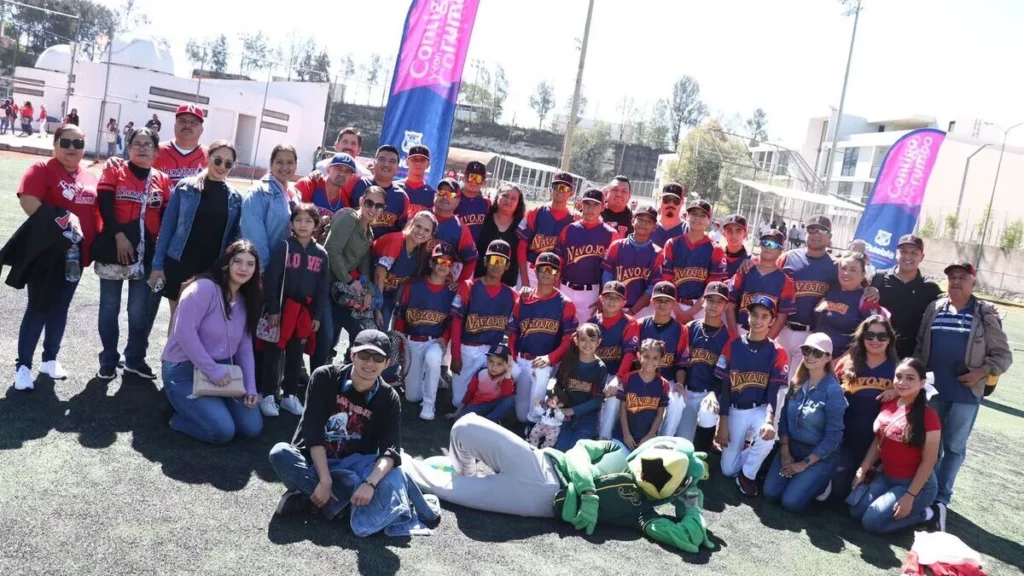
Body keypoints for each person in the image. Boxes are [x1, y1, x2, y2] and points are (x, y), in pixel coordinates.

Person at [269, 329, 403, 521]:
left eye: (378, 358)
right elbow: (312, 433)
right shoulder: (324, 376)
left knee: (389, 475)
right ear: (352, 354)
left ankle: (307, 497)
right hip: (313, 461)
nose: (370, 363)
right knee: (280, 453)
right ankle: (339, 507)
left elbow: (391, 451)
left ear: (387, 364)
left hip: (351, 469)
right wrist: (324, 480)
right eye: (364, 355)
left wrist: (370, 484)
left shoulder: (390, 398)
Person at [914, 259, 1012, 516]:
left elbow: (1003, 356)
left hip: (965, 395)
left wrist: (981, 372)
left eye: (962, 277)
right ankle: (926, 490)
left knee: (954, 447)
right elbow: (920, 344)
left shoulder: (984, 313)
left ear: (973, 282)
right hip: (933, 392)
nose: (956, 281)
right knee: (929, 444)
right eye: (952, 277)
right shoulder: (934, 307)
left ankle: (942, 497)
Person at [10, 124, 98, 390]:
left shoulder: (90, 177)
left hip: (75, 256)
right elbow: (29, 201)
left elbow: (95, 215)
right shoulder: (42, 169)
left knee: (60, 309)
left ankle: (50, 360)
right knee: (38, 307)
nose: (72, 148)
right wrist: (63, 224)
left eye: (78, 143)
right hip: (47, 254)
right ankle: (23, 366)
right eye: (66, 142)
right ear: (56, 144)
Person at [161, 240, 263, 444]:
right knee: (222, 431)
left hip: (223, 369)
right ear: (227, 262)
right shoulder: (203, 288)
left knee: (252, 428)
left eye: (250, 264)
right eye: (238, 261)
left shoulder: (245, 299)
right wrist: (213, 371)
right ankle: (177, 418)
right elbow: (183, 332)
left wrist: (250, 386)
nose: (244, 268)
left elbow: (244, 347)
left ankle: (210, 406)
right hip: (184, 369)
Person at [93, 126, 172, 381]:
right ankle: (108, 359)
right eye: (136, 143)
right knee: (109, 307)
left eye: (147, 144)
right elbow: (104, 205)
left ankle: (135, 359)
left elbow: (165, 217)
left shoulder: (162, 179)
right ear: (128, 146)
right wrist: (118, 236)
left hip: (145, 253)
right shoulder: (115, 169)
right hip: (115, 246)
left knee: (139, 312)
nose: (141, 147)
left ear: (156, 150)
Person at [150, 140, 242, 325]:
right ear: (207, 158)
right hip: (181, 264)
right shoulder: (185, 188)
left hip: (211, 270)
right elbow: (167, 229)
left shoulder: (235, 198)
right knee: (178, 321)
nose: (222, 167)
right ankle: (171, 355)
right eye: (218, 160)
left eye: (228, 164)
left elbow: (234, 238)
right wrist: (157, 265)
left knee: (202, 324)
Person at [849, 358, 942, 534]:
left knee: (871, 522)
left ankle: (926, 515)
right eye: (898, 376)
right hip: (887, 476)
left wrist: (910, 496)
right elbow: (879, 439)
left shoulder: (929, 416)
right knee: (856, 511)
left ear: (922, 382)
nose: (902, 382)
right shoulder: (888, 402)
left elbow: (929, 462)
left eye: (910, 378)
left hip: (915, 484)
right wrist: (863, 468)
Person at [259, 203, 330, 417]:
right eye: (298, 220)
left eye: (308, 221)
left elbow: (322, 288)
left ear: (316, 225)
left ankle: (289, 394)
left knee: (295, 354)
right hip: (282, 309)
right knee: (273, 351)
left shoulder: (321, 253)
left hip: (304, 314)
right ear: (291, 224)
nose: (303, 225)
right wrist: (273, 310)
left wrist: (316, 315)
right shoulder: (285, 247)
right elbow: (271, 279)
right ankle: (268, 395)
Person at [714, 296, 790, 496]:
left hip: (760, 408)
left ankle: (748, 474)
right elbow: (724, 385)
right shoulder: (733, 345)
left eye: (764, 316)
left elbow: (773, 392)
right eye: (754, 315)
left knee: (767, 435)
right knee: (727, 470)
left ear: (772, 321)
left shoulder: (778, 351)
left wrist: (769, 420)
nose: (758, 320)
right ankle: (744, 458)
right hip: (734, 409)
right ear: (747, 317)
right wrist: (722, 421)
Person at [764, 332, 846, 512]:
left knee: (790, 503)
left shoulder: (834, 391)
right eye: (806, 350)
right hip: (792, 447)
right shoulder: (797, 381)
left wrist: (805, 463)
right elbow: (784, 418)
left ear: (828, 358)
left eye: (817, 352)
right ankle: (801, 479)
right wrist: (785, 451)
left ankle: (822, 484)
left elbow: (834, 437)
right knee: (770, 493)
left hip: (818, 455)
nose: (809, 356)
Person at [831, 315, 899, 501]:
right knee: (837, 492)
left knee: (856, 497)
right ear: (862, 338)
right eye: (870, 335)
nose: (875, 340)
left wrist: (899, 392)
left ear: (890, 339)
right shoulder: (846, 364)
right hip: (843, 441)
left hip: (875, 447)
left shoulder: (898, 371)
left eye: (881, 336)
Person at [508, 252, 578, 423]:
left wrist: (550, 358)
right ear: (536, 271)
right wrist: (512, 356)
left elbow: (567, 340)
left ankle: (537, 421)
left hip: (546, 362)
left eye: (552, 270)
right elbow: (512, 332)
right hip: (522, 360)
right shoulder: (522, 299)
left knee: (540, 374)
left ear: (557, 275)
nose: (547, 273)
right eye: (543, 269)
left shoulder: (565, 303)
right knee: (520, 416)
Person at [449, 240, 520, 410]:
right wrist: (456, 355)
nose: (496, 265)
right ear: (486, 261)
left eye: (501, 261)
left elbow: (512, 332)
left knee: (516, 371)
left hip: (491, 353)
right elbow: (456, 323)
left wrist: (510, 358)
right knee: (458, 402)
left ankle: (489, 402)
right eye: (493, 259)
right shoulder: (469, 286)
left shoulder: (512, 295)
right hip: (468, 348)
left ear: (507, 266)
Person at [617, 281, 689, 436]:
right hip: (640, 377)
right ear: (652, 301)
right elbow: (630, 355)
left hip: (667, 379)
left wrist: (679, 384)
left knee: (677, 402)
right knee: (615, 396)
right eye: (659, 300)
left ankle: (664, 439)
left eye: (667, 300)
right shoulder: (639, 324)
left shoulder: (681, 329)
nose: (662, 304)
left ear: (674, 304)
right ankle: (607, 436)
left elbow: (681, 364)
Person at [395, 243, 457, 420]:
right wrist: (400, 346)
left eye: (447, 262)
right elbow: (400, 317)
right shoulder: (412, 286)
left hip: (434, 341)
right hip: (412, 340)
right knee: (412, 397)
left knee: (433, 357)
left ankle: (429, 405)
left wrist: (445, 338)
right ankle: (432, 377)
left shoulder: (452, 291)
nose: (443, 265)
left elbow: (452, 322)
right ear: (431, 263)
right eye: (439, 261)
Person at [323, 185, 387, 358]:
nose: (373, 209)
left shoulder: (369, 233)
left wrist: (367, 291)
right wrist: (351, 282)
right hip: (324, 286)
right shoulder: (349, 218)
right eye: (369, 203)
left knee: (360, 335)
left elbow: (364, 268)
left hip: (340, 291)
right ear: (361, 201)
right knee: (326, 338)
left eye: (379, 206)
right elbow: (331, 250)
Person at [777, 215, 840, 373]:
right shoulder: (788, 257)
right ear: (805, 234)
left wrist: (870, 289)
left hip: (811, 333)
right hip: (782, 329)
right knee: (774, 379)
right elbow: (765, 270)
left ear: (829, 237)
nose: (816, 234)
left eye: (822, 230)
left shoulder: (837, 266)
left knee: (796, 384)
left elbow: (858, 284)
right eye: (811, 229)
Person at [675, 282, 733, 447]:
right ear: (702, 302)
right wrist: (680, 384)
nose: (714, 305)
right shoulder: (690, 328)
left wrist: (714, 393)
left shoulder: (729, 337)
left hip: (708, 394)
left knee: (707, 414)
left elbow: (725, 377)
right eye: (710, 299)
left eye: (719, 301)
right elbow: (681, 363)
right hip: (687, 391)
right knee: (683, 443)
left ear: (725, 305)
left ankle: (705, 453)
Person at [870, 234, 942, 359]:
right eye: (903, 252)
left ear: (922, 257)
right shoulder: (878, 278)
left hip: (911, 355)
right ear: (896, 253)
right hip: (877, 351)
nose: (908, 257)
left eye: (914, 253)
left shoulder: (930, 288)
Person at [557, 187, 620, 324]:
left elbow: (612, 271)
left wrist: (603, 297)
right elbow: (559, 262)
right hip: (565, 288)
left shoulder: (611, 234)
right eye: (587, 204)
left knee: (585, 335)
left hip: (591, 292)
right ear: (581, 205)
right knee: (559, 330)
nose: (590, 209)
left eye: (595, 205)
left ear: (603, 207)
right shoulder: (569, 229)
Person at [659, 199, 727, 323]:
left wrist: (691, 313)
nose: (697, 219)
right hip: (672, 303)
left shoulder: (715, 249)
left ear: (709, 220)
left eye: (702, 216)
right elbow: (666, 281)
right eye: (694, 214)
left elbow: (711, 288)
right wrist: (678, 311)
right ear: (687, 216)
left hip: (700, 307)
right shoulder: (672, 243)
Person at [372, 210, 437, 332]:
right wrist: (377, 308)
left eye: (426, 230)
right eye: (418, 226)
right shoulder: (397, 241)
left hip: (389, 295)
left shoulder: (420, 251)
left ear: (431, 235)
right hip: (371, 289)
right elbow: (378, 275)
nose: (421, 232)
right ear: (411, 224)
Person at [548, 323, 607, 450]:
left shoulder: (600, 367)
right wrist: (555, 397)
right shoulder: (569, 361)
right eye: (583, 339)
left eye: (592, 340)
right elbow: (558, 383)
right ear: (576, 340)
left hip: (588, 416)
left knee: (575, 449)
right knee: (560, 447)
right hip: (565, 412)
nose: (587, 344)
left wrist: (573, 411)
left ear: (599, 342)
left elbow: (598, 399)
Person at [726, 229, 795, 338]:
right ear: (760, 245)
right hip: (740, 329)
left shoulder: (785, 281)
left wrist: (767, 341)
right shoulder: (745, 270)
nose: (768, 247)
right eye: (765, 243)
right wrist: (734, 335)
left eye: (774, 244)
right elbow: (730, 305)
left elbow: (782, 317)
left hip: (766, 333)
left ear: (780, 251)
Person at [591, 281, 638, 439]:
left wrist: (618, 379)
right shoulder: (592, 323)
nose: (611, 301)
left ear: (623, 302)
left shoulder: (630, 322)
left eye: (617, 298)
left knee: (613, 396)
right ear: (601, 299)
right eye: (608, 297)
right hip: (597, 373)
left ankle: (604, 439)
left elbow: (630, 353)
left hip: (618, 375)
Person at [815, 252, 885, 356]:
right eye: (843, 268)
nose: (846, 273)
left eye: (853, 270)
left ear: (862, 274)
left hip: (841, 361)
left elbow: (868, 338)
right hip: (816, 355)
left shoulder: (867, 299)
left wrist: (841, 361)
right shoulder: (831, 288)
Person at [241, 144, 298, 270]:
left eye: (290, 162)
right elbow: (254, 239)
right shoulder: (258, 193)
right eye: (279, 162)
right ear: (271, 164)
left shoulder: (295, 194)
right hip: (263, 271)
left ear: (296, 165)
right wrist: (264, 271)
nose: (284, 167)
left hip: (286, 270)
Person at [517, 172, 576, 289]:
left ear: (572, 193)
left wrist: (558, 280)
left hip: (554, 274)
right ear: (551, 189)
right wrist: (524, 280)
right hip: (531, 270)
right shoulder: (535, 212)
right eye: (557, 186)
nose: (560, 190)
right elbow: (521, 247)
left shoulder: (573, 220)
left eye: (565, 188)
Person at [602, 205, 660, 317]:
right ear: (633, 221)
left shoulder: (658, 253)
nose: (643, 224)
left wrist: (632, 312)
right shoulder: (617, 246)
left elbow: (652, 288)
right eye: (640, 219)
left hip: (641, 310)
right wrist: (608, 302)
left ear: (654, 227)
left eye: (648, 221)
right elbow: (607, 278)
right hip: (613, 304)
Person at [614, 338, 670, 452]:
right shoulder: (628, 378)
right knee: (619, 463)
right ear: (639, 356)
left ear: (661, 360)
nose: (650, 361)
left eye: (655, 358)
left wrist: (649, 436)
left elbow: (660, 415)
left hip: (647, 439)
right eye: (646, 356)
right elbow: (622, 409)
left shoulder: (663, 384)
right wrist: (626, 435)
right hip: (623, 437)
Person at [348, 145, 409, 238]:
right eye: (382, 159)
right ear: (374, 162)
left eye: (392, 161)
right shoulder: (357, 183)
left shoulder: (402, 197)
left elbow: (400, 232)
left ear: (398, 168)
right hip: (351, 247)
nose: (386, 164)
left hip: (381, 250)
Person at [448, 342, 515, 423]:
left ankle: (489, 421)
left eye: (499, 364)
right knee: (458, 420)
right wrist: (457, 411)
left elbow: (506, 394)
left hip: (493, 406)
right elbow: (470, 393)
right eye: (491, 361)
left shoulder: (507, 377)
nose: (494, 367)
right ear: (487, 360)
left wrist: (508, 373)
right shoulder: (480, 373)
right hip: (477, 405)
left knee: (509, 400)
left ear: (506, 364)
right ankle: (485, 423)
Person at [430, 178, 479, 283]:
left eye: (451, 195)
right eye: (442, 193)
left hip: (440, 286)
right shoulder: (421, 217)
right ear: (435, 195)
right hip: (414, 281)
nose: (445, 197)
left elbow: (471, 261)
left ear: (458, 201)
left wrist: (460, 283)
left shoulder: (460, 229)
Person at [474, 183, 524, 287]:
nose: (508, 201)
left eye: (513, 198)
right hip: (479, 281)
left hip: (508, 285)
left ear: (518, 202)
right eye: (505, 196)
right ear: (497, 197)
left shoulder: (522, 225)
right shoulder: (483, 218)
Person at [153, 104, 208, 187]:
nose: (187, 125)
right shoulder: (156, 151)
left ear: (202, 129)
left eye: (193, 123)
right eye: (182, 121)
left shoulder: (210, 155)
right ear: (175, 125)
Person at [297, 152, 358, 223]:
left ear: (351, 177)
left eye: (348, 171)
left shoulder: (344, 203)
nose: (342, 174)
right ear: (328, 169)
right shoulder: (308, 184)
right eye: (339, 168)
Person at [457, 161, 492, 244]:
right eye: (471, 177)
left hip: (477, 252)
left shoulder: (486, 203)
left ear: (484, 182)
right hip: (455, 249)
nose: (473, 182)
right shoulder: (454, 200)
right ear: (464, 178)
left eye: (478, 178)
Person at [399, 145, 434, 216]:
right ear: (407, 162)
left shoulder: (432, 194)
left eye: (422, 160)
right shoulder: (395, 187)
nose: (418, 163)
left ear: (428, 164)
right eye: (414, 159)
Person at [650, 182, 687, 248]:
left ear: (682, 202)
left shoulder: (688, 230)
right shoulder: (648, 224)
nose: (671, 204)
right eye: (666, 199)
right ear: (660, 199)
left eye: (676, 200)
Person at [721, 214, 751, 283]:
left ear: (745, 234)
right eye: (729, 231)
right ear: (723, 233)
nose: (733, 235)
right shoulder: (716, 256)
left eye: (738, 231)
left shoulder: (750, 261)